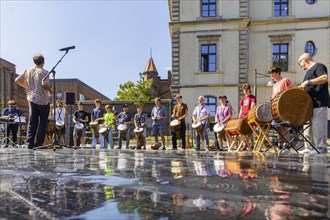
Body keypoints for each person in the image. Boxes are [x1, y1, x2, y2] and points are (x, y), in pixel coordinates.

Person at [15, 53, 53, 149]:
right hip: (43, 100)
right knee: (42, 122)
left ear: (34, 61)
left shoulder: (28, 71)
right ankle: (39, 144)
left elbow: (17, 80)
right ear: (43, 62)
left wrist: (27, 86)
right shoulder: (44, 72)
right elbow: (44, 84)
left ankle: (30, 143)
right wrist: (51, 91)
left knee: (32, 122)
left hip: (31, 99)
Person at [297, 53, 329, 154]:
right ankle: (308, 148)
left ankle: (320, 148)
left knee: (318, 126)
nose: (301, 66)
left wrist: (308, 82)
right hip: (309, 105)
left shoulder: (319, 66)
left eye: (300, 63)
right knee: (307, 127)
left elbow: (324, 78)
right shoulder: (308, 72)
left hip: (319, 102)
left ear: (304, 60)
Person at [268, 66, 292, 150]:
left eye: (272, 73)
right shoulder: (274, 85)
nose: (271, 75)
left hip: (283, 107)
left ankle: (286, 144)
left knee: (284, 126)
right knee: (278, 127)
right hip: (275, 108)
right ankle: (280, 145)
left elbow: (288, 93)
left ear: (278, 72)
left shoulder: (285, 80)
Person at [239, 83, 256, 149]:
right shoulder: (243, 99)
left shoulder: (252, 97)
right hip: (243, 116)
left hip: (249, 116)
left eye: (246, 90)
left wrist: (249, 115)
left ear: (249, 90)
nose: (245, 92)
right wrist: (239, 116)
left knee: (250, 131)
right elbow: (241, 109)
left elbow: (252, 106)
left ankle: (252, 145)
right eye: (244, 90)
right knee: (243, 131)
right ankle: (245, 144)